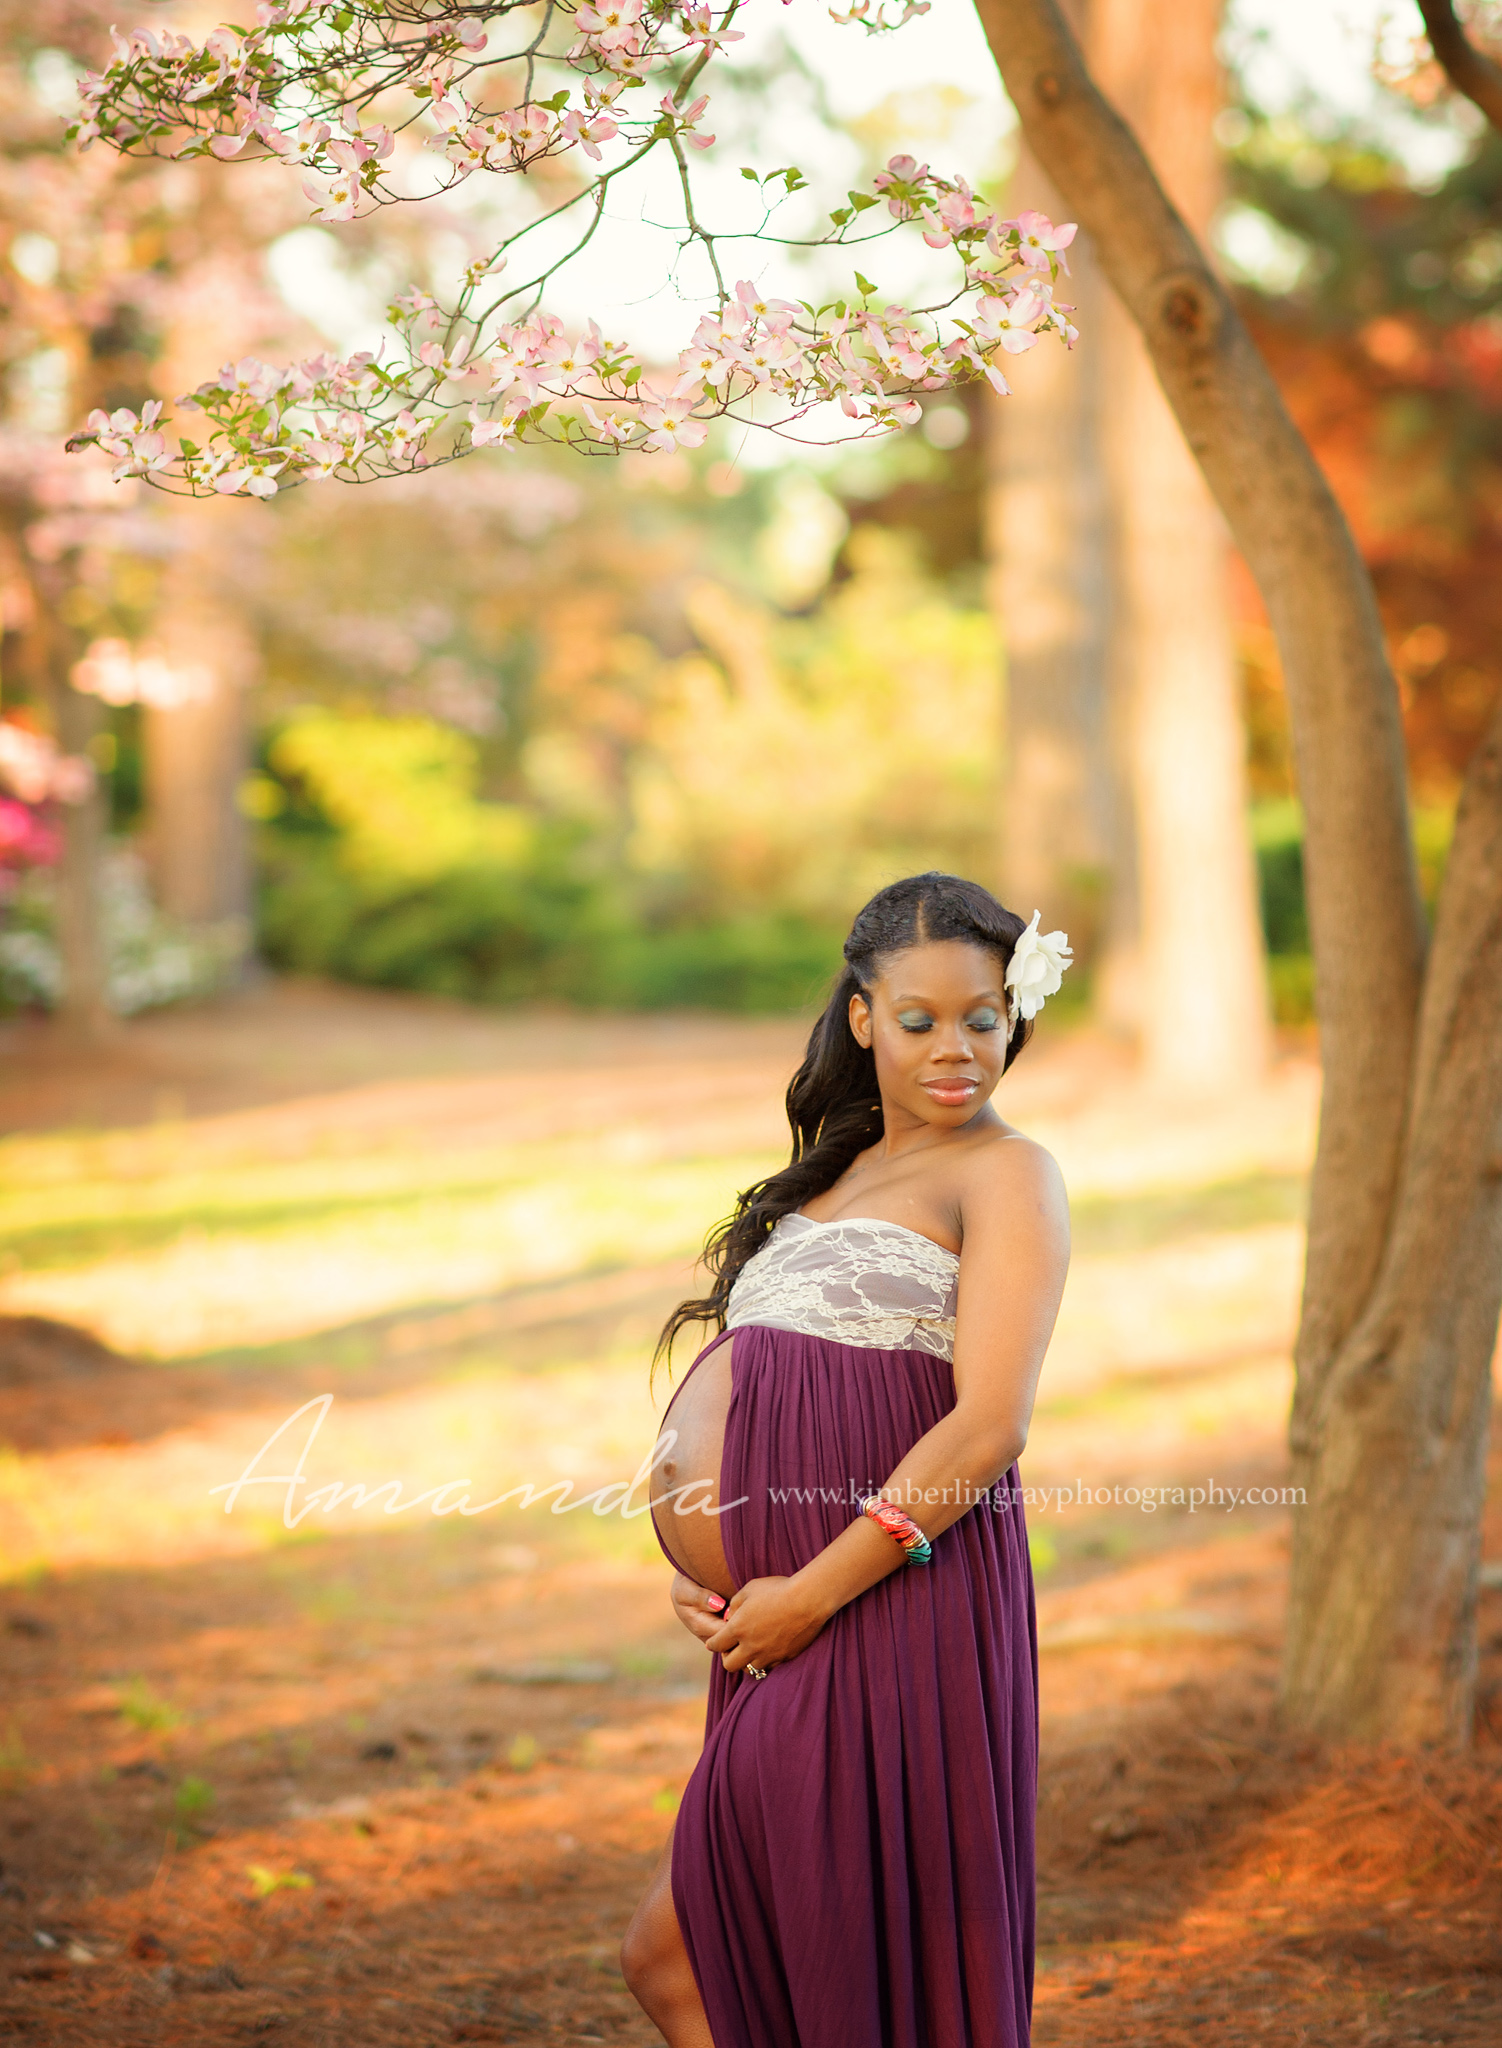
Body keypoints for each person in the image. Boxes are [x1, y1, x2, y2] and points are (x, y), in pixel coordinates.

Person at [621, 872, 1072, 2048]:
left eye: (982, 1016)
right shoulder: (832, 1170)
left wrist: (804, 1594)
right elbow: (760, 1376)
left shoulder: (1006, 1172)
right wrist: (704, 1561)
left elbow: (987, 1425)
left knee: (695, 1948)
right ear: (863, 1016)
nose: (956, 1047)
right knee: (725, 1955)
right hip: (769, 1616)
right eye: (918, 1019)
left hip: (878, 1602)